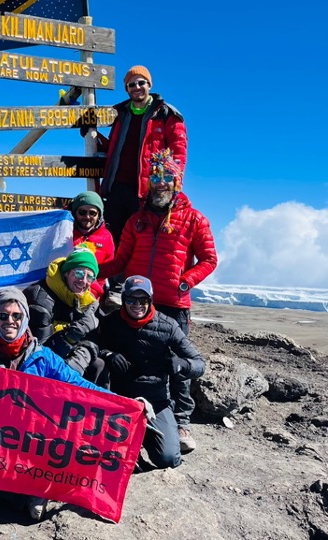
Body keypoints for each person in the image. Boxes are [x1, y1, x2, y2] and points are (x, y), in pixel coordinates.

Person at [98, 148, 217, 452]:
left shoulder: (194, 219)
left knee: (175, 366)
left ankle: (180, 422)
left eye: (167, 177)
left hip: (173, 305)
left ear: (176, 183)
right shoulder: (136, 220)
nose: (160, 183)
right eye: (155, 177)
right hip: (136, 301)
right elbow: (122, 259)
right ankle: (130, 415)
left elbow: (208, 259)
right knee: (131, 358)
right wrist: (93, 272)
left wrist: (186, 281)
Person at [0, 288, 109, 521]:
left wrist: (124, 403)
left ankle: (29, 492)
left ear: (25, 319)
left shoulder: (42, 356)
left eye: (16, 316)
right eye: (3, 315)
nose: (9, 321)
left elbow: (77, 384)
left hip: (31, 436)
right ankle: (20, 493)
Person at [98, 276, 206, 469]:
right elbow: (93, 345)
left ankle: (145, 436)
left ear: (151, 300)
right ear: (123, 299)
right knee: (113, 459)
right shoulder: (110, 323)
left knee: (168, 459)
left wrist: (181, 365)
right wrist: (108, 354)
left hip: (156, 402)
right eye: (131, 299)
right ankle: (132, 442)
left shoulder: (168, 326)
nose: (137, 305)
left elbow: (199, 364)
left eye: (143, 300)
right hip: (120, 400)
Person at [87, 65, 187, 250]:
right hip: (116, 187)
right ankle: (115, 278)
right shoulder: (121, 114)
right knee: (114, 235)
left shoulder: (166, 114)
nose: (136, 87)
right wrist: (93, 137)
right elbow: (113, 148)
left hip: (146, 191)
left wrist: (174, 184)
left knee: (141, 240)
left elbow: (178, 152)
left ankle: (136, 279)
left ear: (149, 85)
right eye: (131, 84)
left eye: (141, 82)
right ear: (127, 89)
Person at [23, 246, 107, 387]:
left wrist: (78, 361)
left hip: (67, 356)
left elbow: (92, 341)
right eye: (79, 274)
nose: (84, 281)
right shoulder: (41, 300)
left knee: (99, 365)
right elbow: (40, 354)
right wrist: (76, 331)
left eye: (90, 277)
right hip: (35, 364)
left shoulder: (87, 301)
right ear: (66, 273)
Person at [68, 191, 114, 299]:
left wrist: (94, 295)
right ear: (75, 212)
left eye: (93, 213)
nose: (87, 217)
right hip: (63, 292)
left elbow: (105, 272)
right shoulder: (64, 231)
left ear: (99, 215)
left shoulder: (106, 237)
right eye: (82, 212)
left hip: (91, 296)